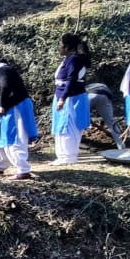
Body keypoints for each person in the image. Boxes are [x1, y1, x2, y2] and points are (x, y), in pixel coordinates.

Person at [0, 53, 38, 180]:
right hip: (6, 107)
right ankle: (0, 166)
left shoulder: (3, 69)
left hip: (15, 107)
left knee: (14, 137)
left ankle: (23, 170)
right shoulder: (1, 70)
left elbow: (5, 86)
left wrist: (3, 105)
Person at [52, 33, 90, 165]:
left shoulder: (74, 59)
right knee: (61, 126)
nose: (59, 47)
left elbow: (71, 79)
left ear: (66, 47)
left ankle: (69, 156)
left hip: (71, 97)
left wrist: (63, 98)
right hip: (62, 94)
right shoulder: (69, 59)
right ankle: (62, 155)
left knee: (69, 126)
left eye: (61, 45)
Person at [86, 83, 125, 150]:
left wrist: (87, 118)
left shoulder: (84, 88)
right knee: (111, 123)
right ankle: (121, 146)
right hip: (105, 96)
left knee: (80, 121)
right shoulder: (101, 85)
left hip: (90, 95)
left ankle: (75, 145)